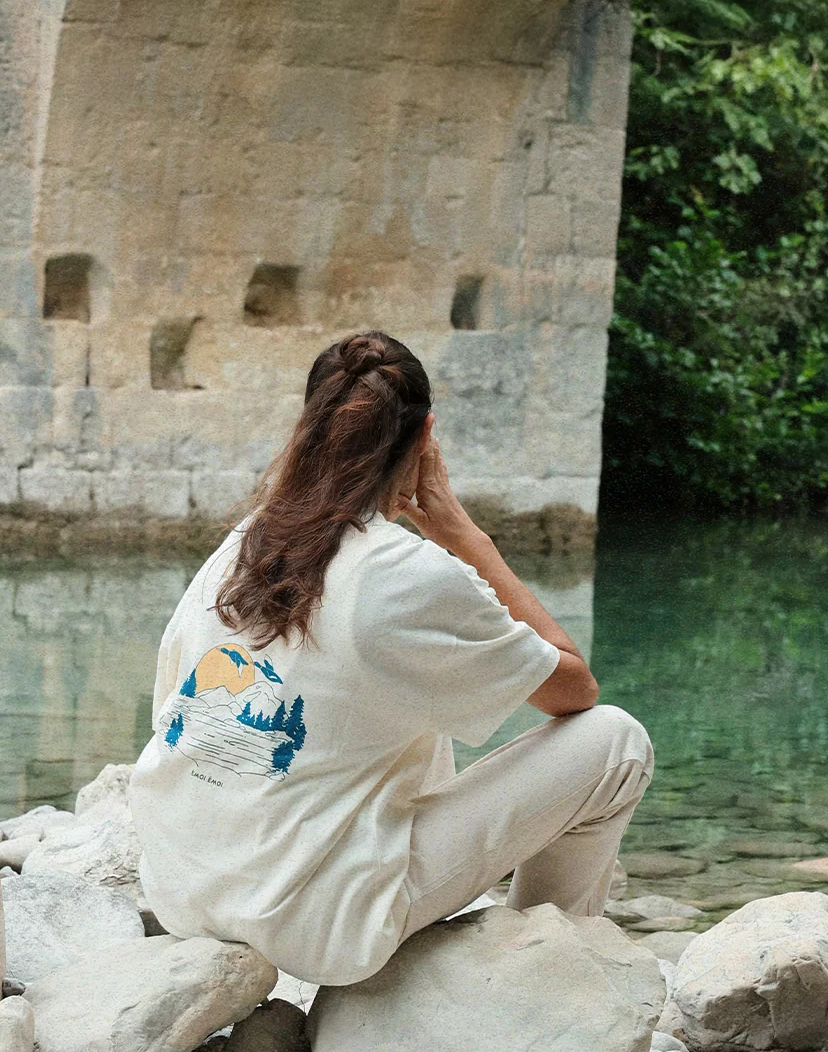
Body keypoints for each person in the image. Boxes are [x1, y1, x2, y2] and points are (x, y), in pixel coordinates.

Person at [130, 330, 653, 985]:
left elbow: (171, 704)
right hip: (309, 922)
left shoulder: (246, 540)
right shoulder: (409, 573)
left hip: (181, 885)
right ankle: (542, 970)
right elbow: (574, 689)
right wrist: (463, 534)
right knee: (616, 742)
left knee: (407, 698)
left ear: (309, 428)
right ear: (424, 437)